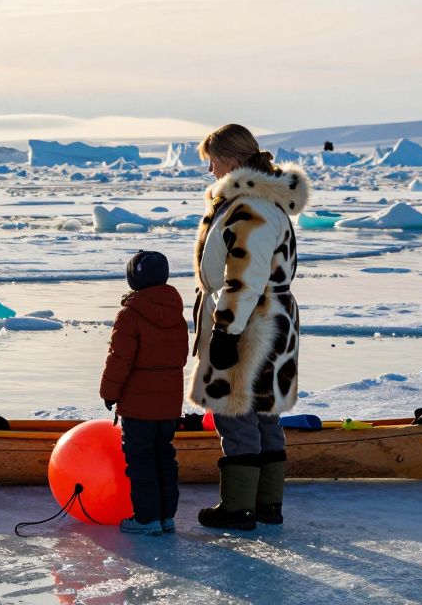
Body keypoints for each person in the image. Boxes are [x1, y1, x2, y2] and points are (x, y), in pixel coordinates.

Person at [189, 123, 310, 531]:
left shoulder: (250, 207)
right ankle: (266, 505)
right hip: (271, 320)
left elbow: (245, 276)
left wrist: (226, 331)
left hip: (250, 323)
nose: (210, 171)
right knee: (263, 414)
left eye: (212, 161)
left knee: (237, 412)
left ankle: (238, 508)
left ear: (232, 161)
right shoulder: (264, 201)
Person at [100, 250, 188, 535]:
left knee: (140, 460)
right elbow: (181, 355)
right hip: (169, 404)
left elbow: (119, 359)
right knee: (164, 457)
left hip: (138, 405)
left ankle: (146, 518)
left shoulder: (130, 314)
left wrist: (109, 392)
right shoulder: (176, 313)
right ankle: (165, 517)